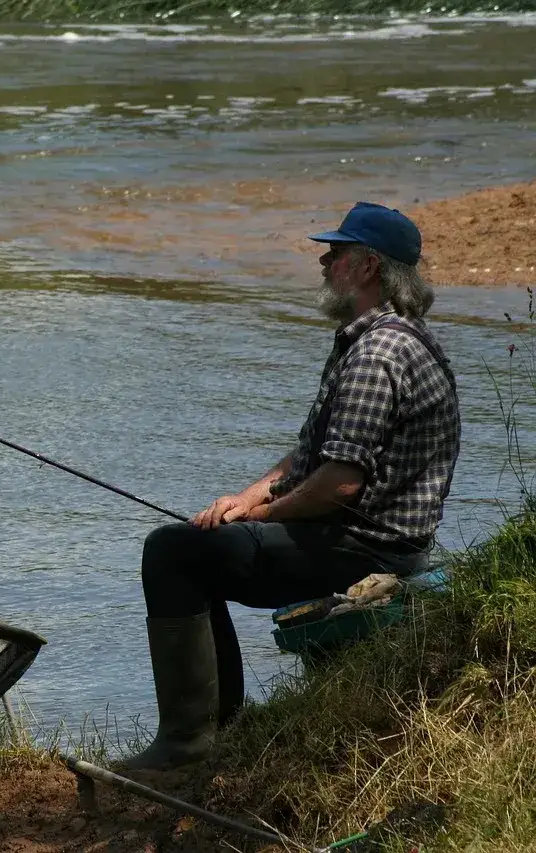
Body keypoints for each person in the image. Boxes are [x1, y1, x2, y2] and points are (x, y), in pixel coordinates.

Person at [122, 201, 461, 771]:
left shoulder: (378, 353)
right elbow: (311, 455)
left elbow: (338, 487)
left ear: (369, 267)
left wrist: (261, 519)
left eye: (336, 252)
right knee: (196, 543)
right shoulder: (388, 338)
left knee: (173, 552)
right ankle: (217, 728)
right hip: (358, 535)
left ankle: (188, 743)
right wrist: (248, 496)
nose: (324, 262)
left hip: (366, 550)